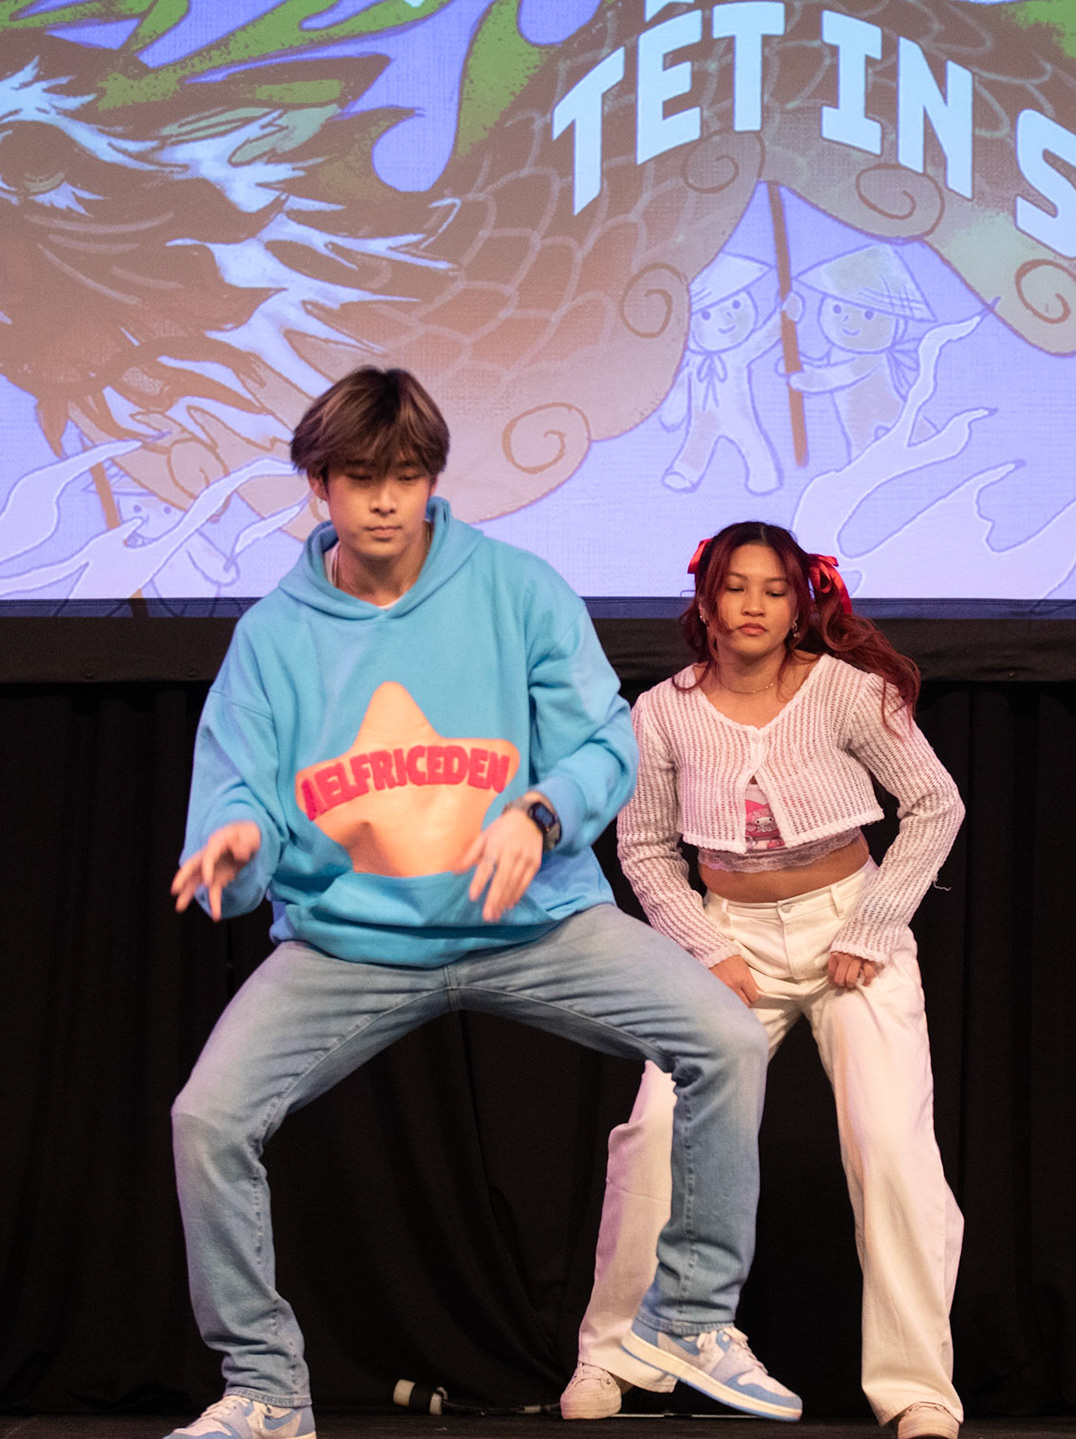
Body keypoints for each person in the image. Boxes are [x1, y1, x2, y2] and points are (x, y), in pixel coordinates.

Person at [163, 370, 799, 1439]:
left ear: (433, 481)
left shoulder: (516, 588)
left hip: (535, 925)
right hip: (353, 942)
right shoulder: (276, 635)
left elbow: (603, 743)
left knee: (726, 1040)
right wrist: (236, 837)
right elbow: (240, 792)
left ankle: (690, 1320)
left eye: (406, 476)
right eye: (360, 477)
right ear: (317, 484)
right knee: (207, 1119)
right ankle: (267, 1386)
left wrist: (541, 814)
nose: (384, 500)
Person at [560, 522, 967, 1439]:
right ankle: (614, 1352)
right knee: (653, 1134)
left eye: (774, 590)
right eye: (735, 587)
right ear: (705, 601)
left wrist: (873, 922)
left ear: (798, 606)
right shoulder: (662, 710)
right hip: (729, 936)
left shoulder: (848, 691)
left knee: (891, 1149)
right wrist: (706, 948)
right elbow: (644, 846)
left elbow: (935, 803)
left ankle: (916, 1387)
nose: (752, 605)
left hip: (849, 928)